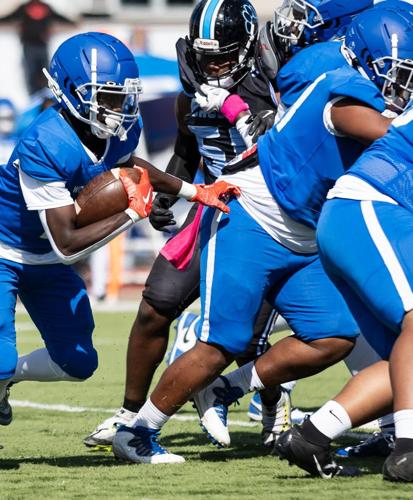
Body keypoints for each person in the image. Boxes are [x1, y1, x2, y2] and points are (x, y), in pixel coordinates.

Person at [112, 1, 402, 464]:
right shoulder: (344, 93)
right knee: (220, 343)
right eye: (399, 66)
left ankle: (226, 390)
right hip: (253, 217)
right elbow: (392, 140)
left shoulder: (331, 74)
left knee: (332, 335)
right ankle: (136, 431)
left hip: (303, 233)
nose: (403, 78)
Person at [0, 31, 239, 471]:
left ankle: (2, 377)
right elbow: (66, 243)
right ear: (68, 92)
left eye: (122, 97)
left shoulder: (116, 128)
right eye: (106, 97)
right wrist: (131, 213)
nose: (117, 109)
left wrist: (193, 190)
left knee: (78, 362)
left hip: (43, 257)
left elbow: (128, 167)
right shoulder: (45, 141)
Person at [85, 0, 289, 451]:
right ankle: (129, 412)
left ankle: (274, 407)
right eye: (205, 55)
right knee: (154, 305)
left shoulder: (273, 89)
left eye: (222, 55)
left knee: (248, 334)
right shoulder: (189, 96)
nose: (212, 65)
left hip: (267, 216)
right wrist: (165, 196)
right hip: (210, 207)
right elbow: (187, 152)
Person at [274, 7, 413, 481]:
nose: (399, 82)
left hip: (354, 215)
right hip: (369, 207)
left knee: (404, 352)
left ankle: (312, 436)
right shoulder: (342, 82)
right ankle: (409, 449)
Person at [0, 0, 75, 95]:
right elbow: (9, 17)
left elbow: (59, 17)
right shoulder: (25, 8)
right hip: (29, 47)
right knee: (31, 74)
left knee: (45, 74)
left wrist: (72, 22)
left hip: (42, 46)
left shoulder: (45, 8)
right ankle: (34, 97)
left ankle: (47, 96)